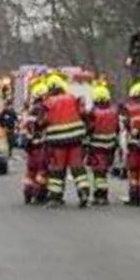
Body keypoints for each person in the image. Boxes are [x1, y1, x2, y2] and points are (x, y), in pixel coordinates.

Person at [39, 72, 91, 208]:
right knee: (78, 168)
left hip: (57, 142)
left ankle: (55, 198)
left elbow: (42, 121)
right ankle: (83, 192)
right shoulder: (72, 98)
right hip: (76, 139)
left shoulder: (48, 103)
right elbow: (83, 114)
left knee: (57, 169)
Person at [84, 81, 120, 206]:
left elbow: (89, 129)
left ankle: (100, 194)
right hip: (110, 147)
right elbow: (117, 129)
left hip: (96, 147)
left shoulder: (93, 113)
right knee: (103, 171)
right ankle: (102, 195)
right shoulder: (114, 112)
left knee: (98, 172)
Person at [21, 79, 50, 205]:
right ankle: (39, 194)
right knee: (42, 171)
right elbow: (43, 124)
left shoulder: (30, 110)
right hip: (42, 146)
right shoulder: (43, 109)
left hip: (31, 147)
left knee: (30, 171)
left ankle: (28, 192)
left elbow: (26, 128)